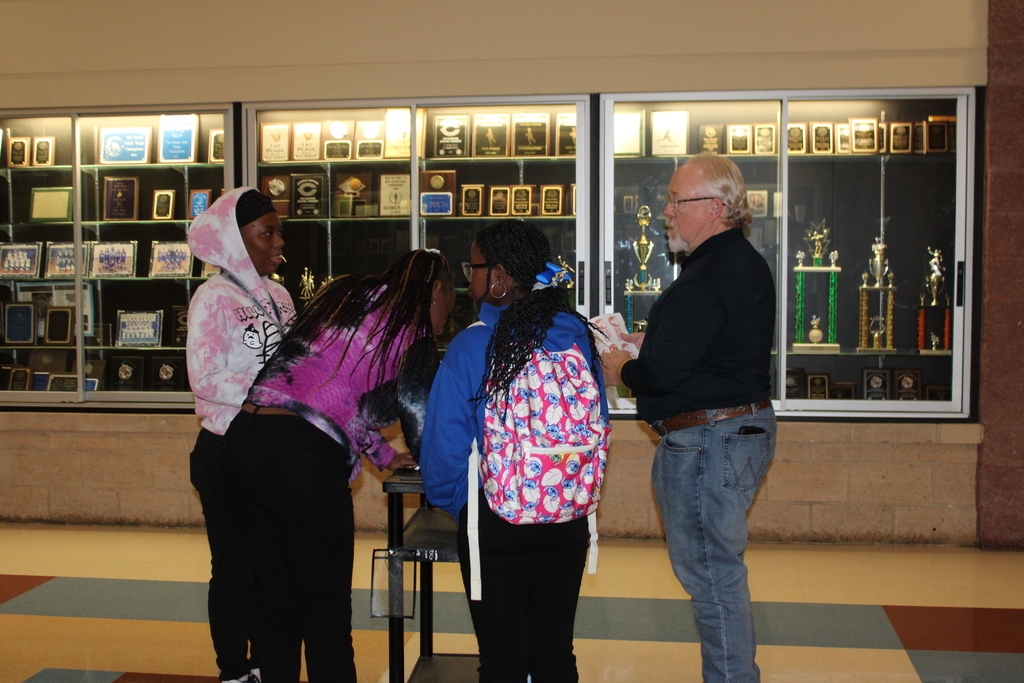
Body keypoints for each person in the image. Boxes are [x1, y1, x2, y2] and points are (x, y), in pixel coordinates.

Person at [222, 249, 454, 683]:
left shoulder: (347, 295)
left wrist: (386, 457)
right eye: (450, 303)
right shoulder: (410, 327)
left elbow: (341, 394)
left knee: (277, 606)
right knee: (325, 615)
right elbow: (419, 416)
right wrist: (442, 475)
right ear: (436, 290)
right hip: (302, 461)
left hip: (243, 443)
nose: (445, 319)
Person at [600, 153, 777, 683]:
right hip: (725, 433)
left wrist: (622, 367)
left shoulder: (714, 271)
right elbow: (704, 348)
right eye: (669, 200)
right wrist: (644, 344)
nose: (667, 212)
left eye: (678, 201)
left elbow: (661, 375)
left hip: (710, 440)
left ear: (718, 207)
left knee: (712, 577)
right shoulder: (727, 264)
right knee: (716, 573)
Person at [421, 220, 609, 683]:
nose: (469, 277)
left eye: (476, 267)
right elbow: (599, 417)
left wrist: (463, 506)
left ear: (500, 276)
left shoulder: (471, 346)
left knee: (502, 661)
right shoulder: (580, 338)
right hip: (568, 512)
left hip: (496, 518)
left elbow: (443, 449)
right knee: (554, 655)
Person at [186, 187, 296, 683]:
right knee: (235, 569)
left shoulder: (279, 295)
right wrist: (270, 398)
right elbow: (206, 377)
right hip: (226, 449)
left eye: (279, 233)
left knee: (272, 571)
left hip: (273, 451)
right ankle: (234, 668)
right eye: (266, 233)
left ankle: (265, 664)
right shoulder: (212, 297)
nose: (278, 244)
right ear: (234, 238)